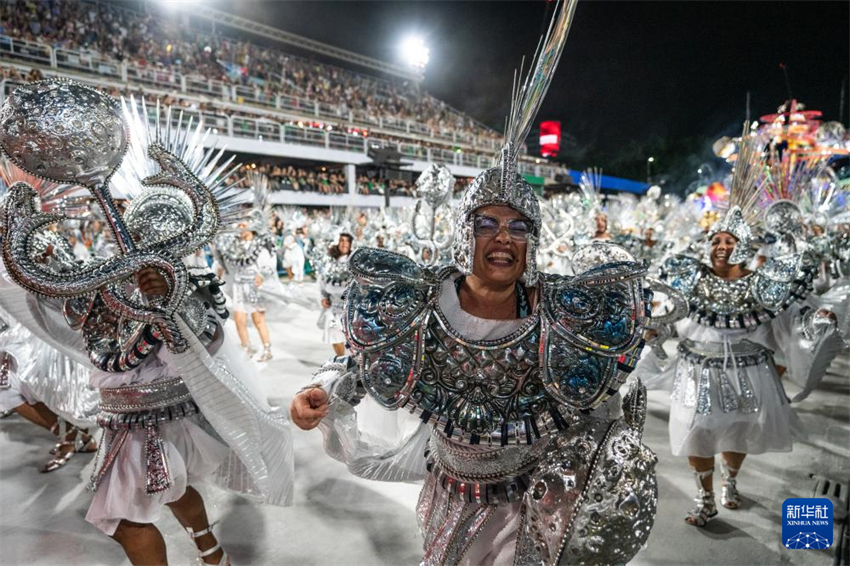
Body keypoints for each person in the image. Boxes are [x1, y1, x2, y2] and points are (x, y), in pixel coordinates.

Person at [291, 4, 656, 561]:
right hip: (449, 499)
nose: (502, 237)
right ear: (468, 236)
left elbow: (601, 406)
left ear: (530, 241)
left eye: (517, 227)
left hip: (534, 510)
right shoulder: (416, 302)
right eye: (487, 223)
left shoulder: (561, 311)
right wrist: (318, 390)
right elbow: (357, 362)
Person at [646, 204, 840, 528]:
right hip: (697, 372)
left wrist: (816, 320)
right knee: (696, 433)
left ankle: (730, 480)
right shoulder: (689, 278)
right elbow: (670, 316)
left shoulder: (764, 283)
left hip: (749, 374)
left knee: (738, 433)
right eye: (716, 240)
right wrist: (656, 330)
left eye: (730, 240)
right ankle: (704, 500)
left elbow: (792, 321)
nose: (721, 246)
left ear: (745, 246)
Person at [217, 223, 277, 362]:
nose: (240, 228)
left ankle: (267, 349)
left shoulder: (259, 245)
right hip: (238, 286)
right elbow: (224, 262)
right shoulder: (234, 246)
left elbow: (269, 265)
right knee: (239, 319)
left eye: (243, 225)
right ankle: (246, 348)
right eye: (239, 225)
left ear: (251, 228)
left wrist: (261, 275)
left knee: (258, 320)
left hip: (253, 287)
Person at [317, 233, 353, 357]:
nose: (344, 243)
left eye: (347, 241)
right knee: (334, 336)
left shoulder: (354, 262)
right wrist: (324, 298)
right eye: (342, 240)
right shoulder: (329, 263)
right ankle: (342, 361)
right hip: (334, 307)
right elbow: (322, 282)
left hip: (351, 307)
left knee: (353, 338)